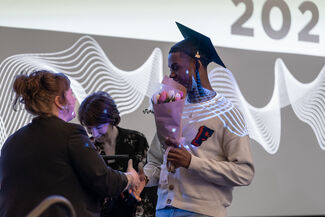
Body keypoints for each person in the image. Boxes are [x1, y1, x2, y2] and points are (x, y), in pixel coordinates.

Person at [144, 22, 254, 217]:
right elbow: (155, 160)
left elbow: (244, 172)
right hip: (163, 209)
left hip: (201, 212)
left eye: (176, 67)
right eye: (170, 68)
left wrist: (191, 163)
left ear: (196, 65)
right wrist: (141, 178)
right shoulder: (172, 108)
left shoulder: (228, 112)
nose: (171, 74)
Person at [0, 70, 140, 217]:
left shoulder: (11, 142)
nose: (74, 99)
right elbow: (105, 181)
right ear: (59, 101)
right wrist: (130, 177)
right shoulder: (71, 134)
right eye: (71, 94)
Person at [78, 91, 157, 217]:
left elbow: (148, 174)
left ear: (111, 119)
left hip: (138, 209)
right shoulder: (88, 147)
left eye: (99, 127)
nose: (95, 134)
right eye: (89, 129)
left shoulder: (137, 139)